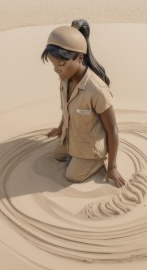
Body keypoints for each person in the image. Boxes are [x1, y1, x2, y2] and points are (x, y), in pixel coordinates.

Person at [41, 19, 125, 188]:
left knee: (73, 176)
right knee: (57, 155)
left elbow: (112, 129)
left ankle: (97, 159)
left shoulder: (97, 90)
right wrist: (60, 128)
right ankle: (74, 155)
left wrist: (112, 167)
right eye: (53, 65)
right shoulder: (65, 78)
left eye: (61, 64)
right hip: (72, 136)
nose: (57, 70)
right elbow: (67, 109)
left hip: (89, 145)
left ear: (80, 58)